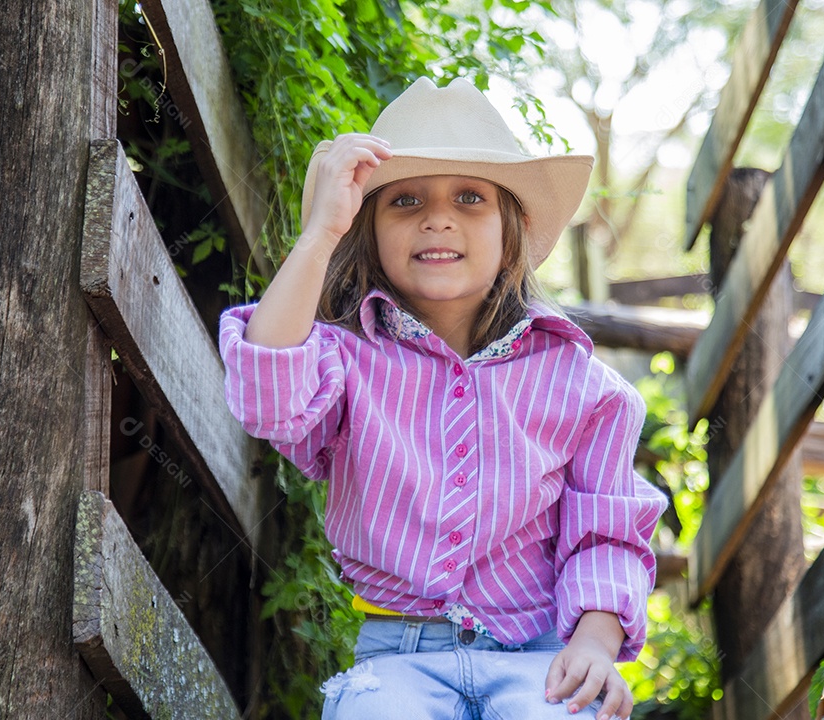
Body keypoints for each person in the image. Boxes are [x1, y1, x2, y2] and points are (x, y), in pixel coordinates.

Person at [219, 77, 668, 720]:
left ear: (512, 230)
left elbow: (606, 531)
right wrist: (319, 232)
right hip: (396, 660)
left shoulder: (580, 384)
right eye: (404, 199)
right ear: (368, 231)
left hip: (538, 656)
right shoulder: (343, 362)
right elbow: (267, 394)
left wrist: (597, 644)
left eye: (469, 197)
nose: (438, 216)